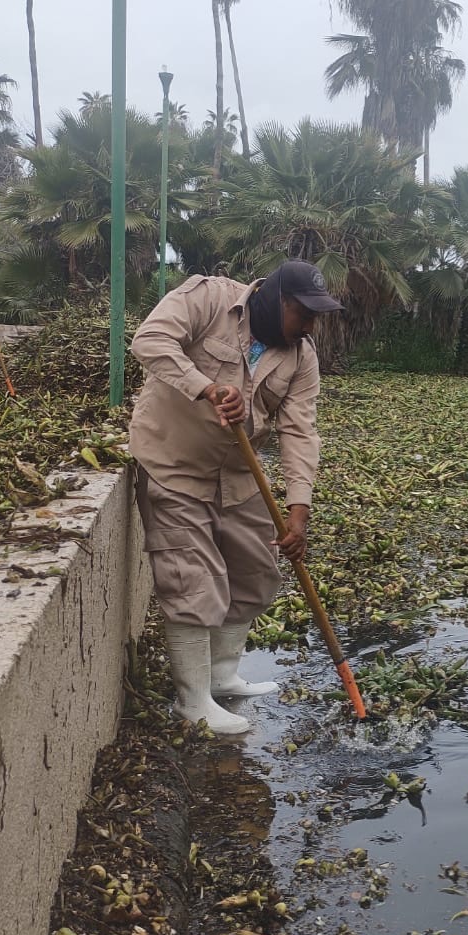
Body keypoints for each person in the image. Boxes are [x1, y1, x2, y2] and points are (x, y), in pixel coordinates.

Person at [128, 261, 342, 735]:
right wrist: (205, 388)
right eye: (304, 313)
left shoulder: (301, 356)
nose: (310, 325)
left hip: (237, 474)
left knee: (256, 571)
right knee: (191, 578)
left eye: (316, 317)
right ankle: (193, 700)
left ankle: (223, 677)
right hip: (173, 463)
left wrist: (298, 511)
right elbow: (149, 341)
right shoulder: (208, 298)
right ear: (277, 300)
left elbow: (300, 432)